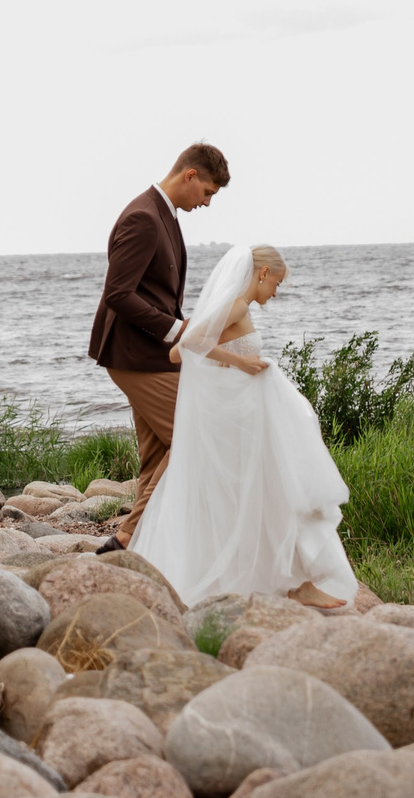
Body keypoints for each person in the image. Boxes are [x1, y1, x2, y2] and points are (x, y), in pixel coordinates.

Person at [131, 244, 356, 610]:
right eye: (277, 284)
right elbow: (182, 349)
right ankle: (295, 582)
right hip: (236, 417)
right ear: (263, 274)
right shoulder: (236, 306)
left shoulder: (239, 308)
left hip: (245, 414)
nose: (276, 293)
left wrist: (236, 362)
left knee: (267, 492)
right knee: (271, 489)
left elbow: (189, 349)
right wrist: (239, 362)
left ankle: (295, 580)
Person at [86, 143, 227, 550]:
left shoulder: (162, 213)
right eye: (208, 193)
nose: (207, 203)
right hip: (134, 355)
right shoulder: (143, 217)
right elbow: (118, 294)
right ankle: (129, 536)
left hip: (151, 354)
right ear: (190, 176)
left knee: (157, 453)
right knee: (194, 435)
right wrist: (177, 331)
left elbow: (154, 292)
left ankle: (142, 540)